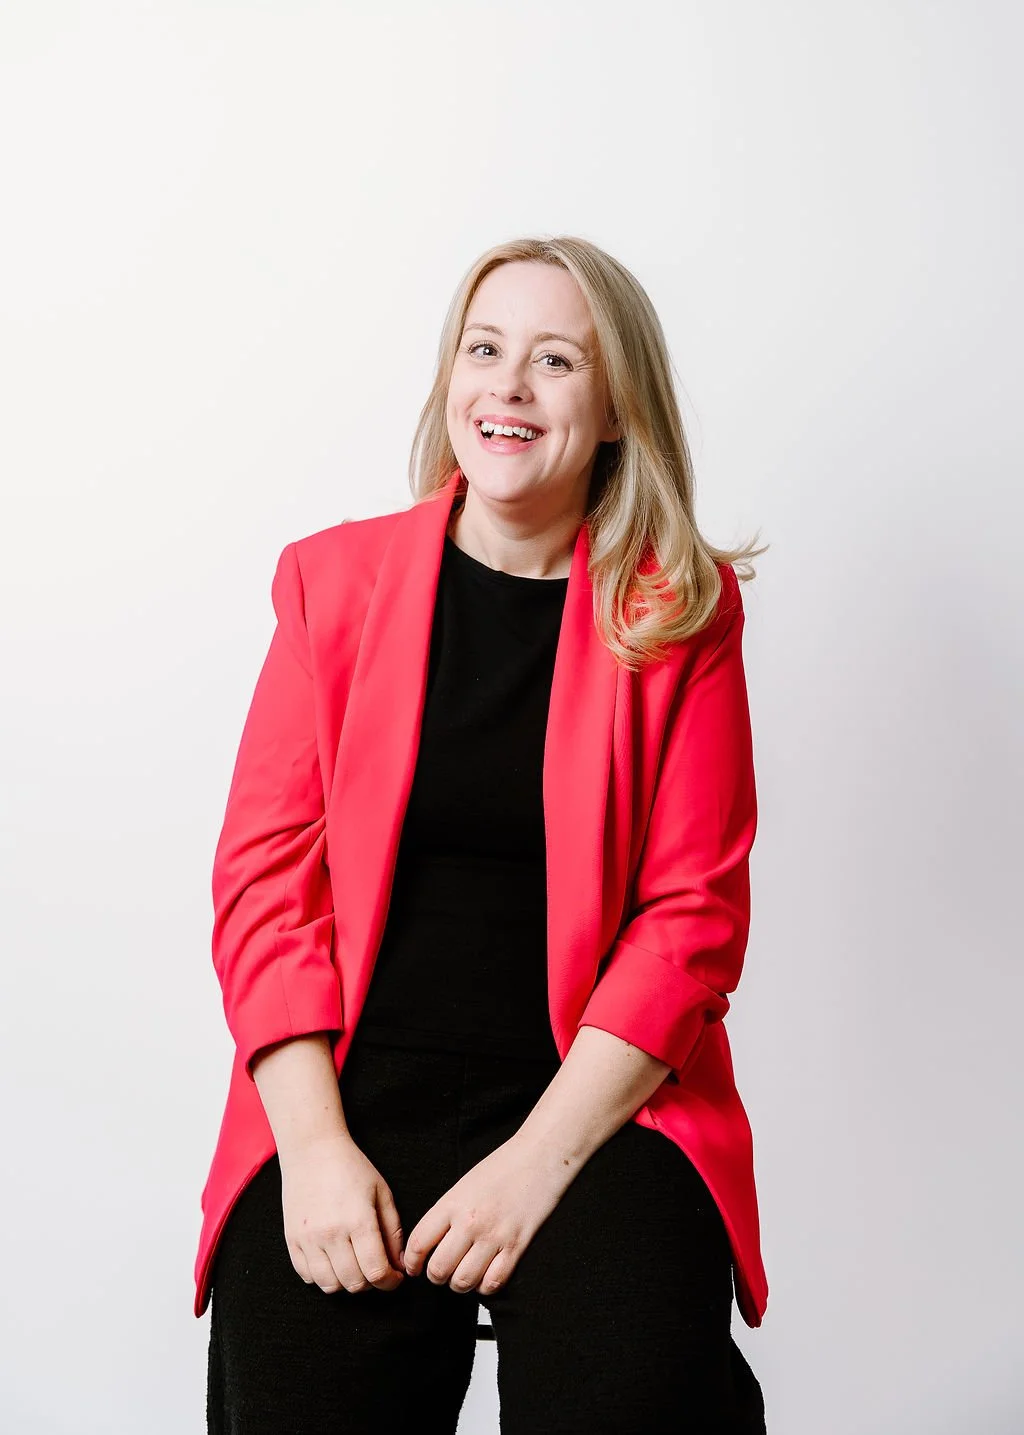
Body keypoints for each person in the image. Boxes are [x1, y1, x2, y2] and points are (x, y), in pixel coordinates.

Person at [198, 234, 770, 1434]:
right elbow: (264, 886)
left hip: (595, 1097)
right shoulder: (327, 583)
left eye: (555, 360)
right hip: (351, 1090)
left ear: (615, 410)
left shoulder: (680, 616)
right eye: (485, 349)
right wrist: (309, 1145)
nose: (507, 385)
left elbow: (692, 921)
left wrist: (535, 1163)